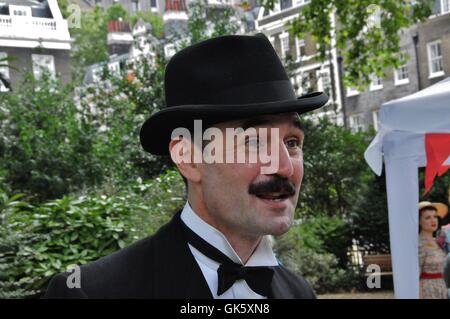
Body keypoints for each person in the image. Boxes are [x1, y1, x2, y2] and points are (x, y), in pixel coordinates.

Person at [44, 34, 329, 299]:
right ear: (189, 159)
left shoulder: (299, 292)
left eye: (292, 142)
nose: (284, 167)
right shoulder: (90, 293)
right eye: (254, 141)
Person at [418, 201, 448, 299]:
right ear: (418, 221)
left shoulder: (437, 241)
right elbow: (414, 274)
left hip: (441, 286)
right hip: (426, 290)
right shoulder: (419, 244)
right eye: (427, 217)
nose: (433, 220)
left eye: (435, 216)